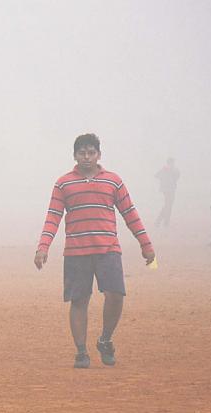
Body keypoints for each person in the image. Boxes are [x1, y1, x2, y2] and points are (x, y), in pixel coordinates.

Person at [34, 133, 155, 369]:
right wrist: (43, 247)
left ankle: (105, 339)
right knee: (79, 300)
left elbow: (130, 213)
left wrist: (146, 244)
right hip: (76, 252)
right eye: (82, 153)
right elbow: (53, 216)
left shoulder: (113, 181)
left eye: (91, 152)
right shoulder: (64, 183)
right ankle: (81, 351)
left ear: (99, 154)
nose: (87, 157)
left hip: (108, 249)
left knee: (116, 294)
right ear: (75, 156)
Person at [154, 158, 180, 228]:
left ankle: (165, 222)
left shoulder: (173, 170)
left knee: (169, 206)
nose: (172, 164)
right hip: (167, 190)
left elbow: (177, 176)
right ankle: (160, 221)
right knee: (168, 206)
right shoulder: (166, 170)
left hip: (170, 190)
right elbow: (157, 175)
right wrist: (165, 172)